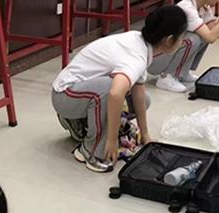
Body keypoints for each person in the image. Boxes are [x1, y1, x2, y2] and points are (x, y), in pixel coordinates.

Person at [51, 6, 188, 173]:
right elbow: (115, 94)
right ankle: (90, 150)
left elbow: (138, 91)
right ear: (169, 39)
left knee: (144, 101)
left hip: (80, 92)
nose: (183, 41)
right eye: (182, 36)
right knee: (111, 89)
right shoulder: (136, 57)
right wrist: (111, 140)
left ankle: (79, 122)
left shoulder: (141, 44)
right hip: (65, 95)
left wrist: (145, 134)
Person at [149, 0, 219, 93]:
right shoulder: (186, 7)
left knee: (202, 37)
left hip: (166, 54)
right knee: (193, 39)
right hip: (155, 60)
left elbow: (218, 34)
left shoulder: (203, 7)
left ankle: (183, 72)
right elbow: (211, 37)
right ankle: (167, 77)